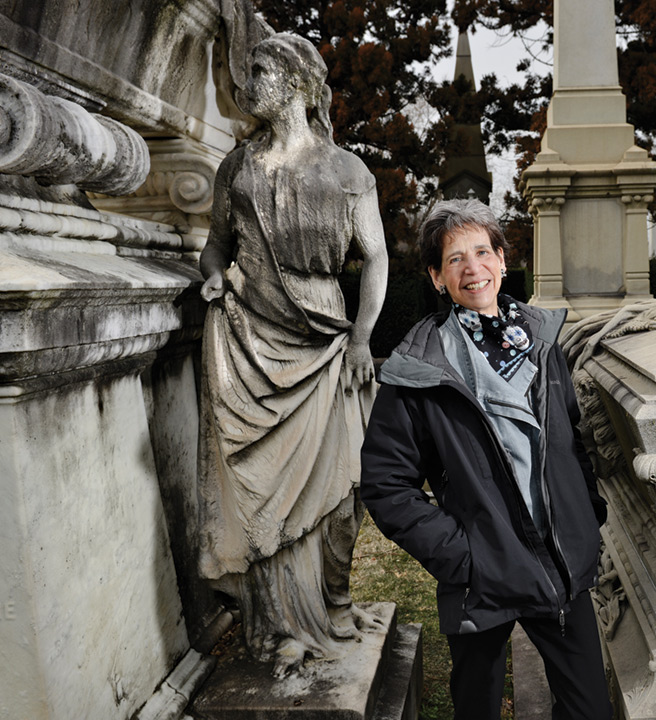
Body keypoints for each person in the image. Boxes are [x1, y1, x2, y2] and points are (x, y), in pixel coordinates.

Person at [360, 199, 612, 719]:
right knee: (476, 709)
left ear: (501, 259)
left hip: (559, 567)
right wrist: (462, 557)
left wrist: (586, 517)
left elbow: (572, 442)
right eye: (454, 259)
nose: (471, 268)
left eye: (481, 252)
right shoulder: (417, 368)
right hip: (482, 578)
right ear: (436, 277)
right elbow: (386, 485)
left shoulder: (544, 344)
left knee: (590, 710)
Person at [196, 32, 388, 679]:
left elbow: (378, 256)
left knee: (340, 495)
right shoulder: (238, 168)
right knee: (264, 496)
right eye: (248, 73)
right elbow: (215, 245)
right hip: (252, 343)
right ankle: (284, 627)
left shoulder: (346, 171)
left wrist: (361, 335)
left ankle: (332, 603)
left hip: (325, 345)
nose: (251, 85)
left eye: (263, 71)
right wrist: (214, 275)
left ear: (302, 83)